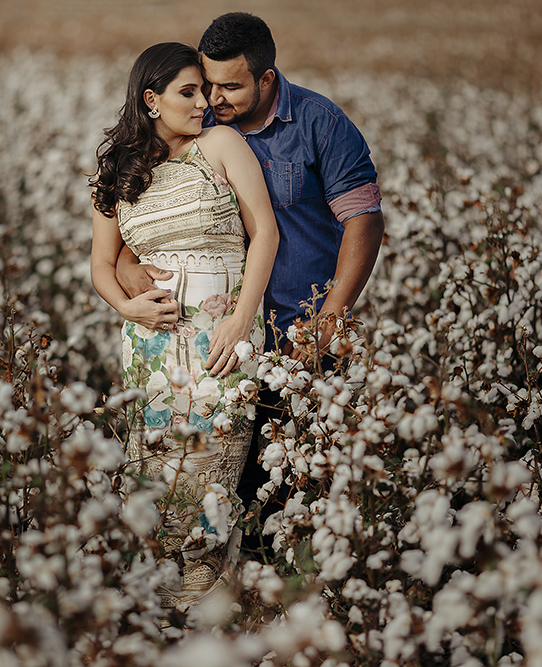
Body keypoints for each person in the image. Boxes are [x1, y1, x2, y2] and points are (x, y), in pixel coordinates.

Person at [116, 14, 385, 556]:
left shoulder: (319, 123)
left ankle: (285, 604)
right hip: (217, 339)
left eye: (229, 86)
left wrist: (330, 318)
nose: (212, 98)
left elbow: (365, 219)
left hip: (296, 325)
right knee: (220, 481)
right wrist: (131, 280)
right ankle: (218, 596)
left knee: (294, 482)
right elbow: (144, 229)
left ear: (266, 79)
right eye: (205, 83)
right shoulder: (193, 130)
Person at [89, 42, 279, 608]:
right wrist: (128, 308)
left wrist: (241, 321)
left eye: (205, 91)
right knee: (155, 463)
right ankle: (150, 592)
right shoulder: (119, 172)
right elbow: (103, 263)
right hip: (150, 341)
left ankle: (207, 590)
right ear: (152, 100)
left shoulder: (219, 144)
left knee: (213, 458)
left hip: (224, 330)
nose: (205, 104)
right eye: (188, 93)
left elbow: (264, 232)